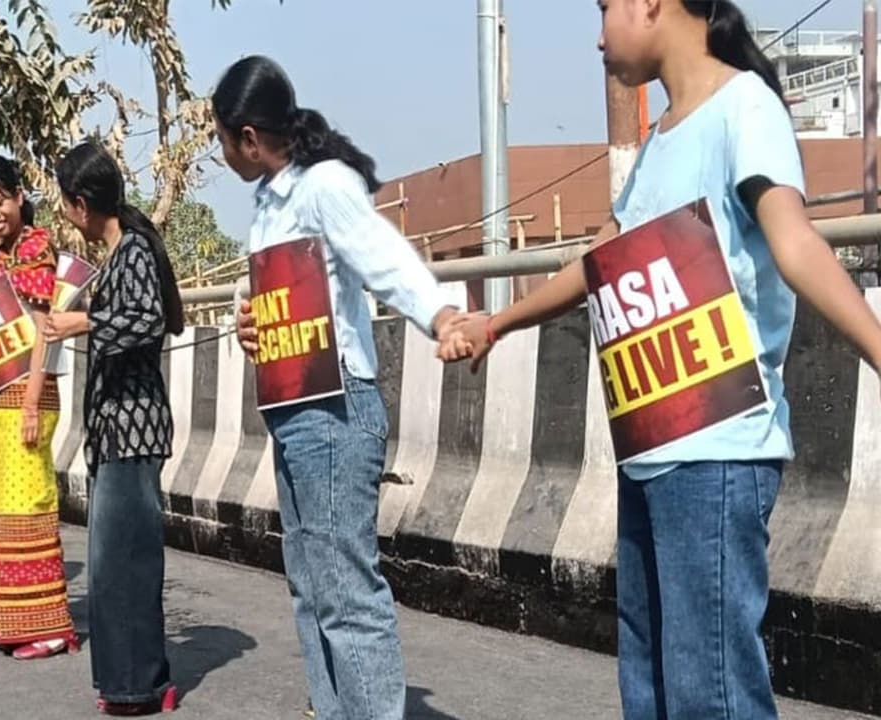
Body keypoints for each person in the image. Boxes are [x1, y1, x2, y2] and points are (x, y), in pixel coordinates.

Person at [439, 2, 881, 718]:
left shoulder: (746, 108)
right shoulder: (662, 141)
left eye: (606, 8)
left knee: (712, 693)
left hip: (719, 450)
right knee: (649, 686)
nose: (598, 34)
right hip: (650, 450)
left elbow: (797, 245)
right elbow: (596, 264)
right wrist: (499, 323)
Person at [217, 56, 470, 720]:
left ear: (247, 136)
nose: (220, 154)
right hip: (294, 412)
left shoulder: (323, 185)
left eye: (222, 139)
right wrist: (249, 322)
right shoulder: (267, 204)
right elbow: (273, 293)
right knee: (310, 583)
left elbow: (380, 257)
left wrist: (439, 313)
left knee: (347, 591)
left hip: (335, 409)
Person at [43, 141, 180, 714]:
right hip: (114, 428)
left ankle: (141, 684)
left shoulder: (134, 251)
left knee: (124, 561)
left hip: (134, 426)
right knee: (112, 561)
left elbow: (147, 321)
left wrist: (82, 320)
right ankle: (128, 681)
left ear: (80, 204)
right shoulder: (118, 252)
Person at [0, 155, 78, 658]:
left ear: (18, 196)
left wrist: (32, 402)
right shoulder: (3, 252)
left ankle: (49, 625)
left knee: (30, 508)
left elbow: (42, 333)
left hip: (30, 392)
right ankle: (19, 620)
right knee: (5, 511)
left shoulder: (35, 246)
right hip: (4, 396)